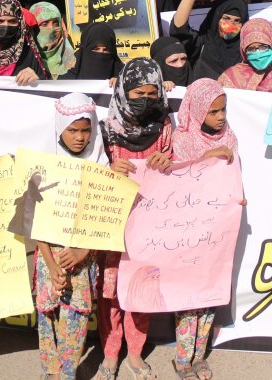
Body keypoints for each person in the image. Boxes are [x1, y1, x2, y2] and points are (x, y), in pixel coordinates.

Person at [97, 59, 174, 380]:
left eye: (151, 93)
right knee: (111, 292)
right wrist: (108, 169)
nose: (145, 100)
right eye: (137, 93)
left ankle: (135, 353)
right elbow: (88, 167)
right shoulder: (107, 129)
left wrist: (167, 160)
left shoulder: (165, 126)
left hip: (149, 226)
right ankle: (110, 352)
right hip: (114, 225)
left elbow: (178, 167)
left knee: (143, 287)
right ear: (123, 91)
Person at [170, 78, 240, 380]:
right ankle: (182, 358)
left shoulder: (230, 138)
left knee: (210, 292)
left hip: (218, 228)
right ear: (197, 110)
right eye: (213, 112)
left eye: (223, 110)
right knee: (189, 296)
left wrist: (238, 197)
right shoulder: (183, 139)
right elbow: (177, 182)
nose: (220, 117)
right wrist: (207, 157)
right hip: (189, 229)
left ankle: (199, 355)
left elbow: (233, 177)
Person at [34, 93, 103, 380]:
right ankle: (51, 373)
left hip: (83, 257)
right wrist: (51, 264)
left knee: (76, 318)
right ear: (60, 128)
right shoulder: (44, 164)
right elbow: (33, 218)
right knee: (47, 317)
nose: (80, 137)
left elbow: (104, 218)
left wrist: (82, 251)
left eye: (86, 130)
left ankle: (68, 373)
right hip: (48, 256)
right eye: (72, 130)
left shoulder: (100, 165)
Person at [170, 0, 248, 82]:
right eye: (226, 18)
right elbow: (179, 28)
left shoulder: (247, 51)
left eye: (237, 21)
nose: (231, 24)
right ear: (215, 19)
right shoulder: (202, 44)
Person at [217, 18, 272, 92]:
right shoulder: (231, 77)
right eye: (251, 49)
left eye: (263, 47)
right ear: (244, 51)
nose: (258, 54)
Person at [31, 2, 76, 79]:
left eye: (56, 24)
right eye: (44, 24)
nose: (51, 28)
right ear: (33, 28)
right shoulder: (25, 62)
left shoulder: (75, 61)